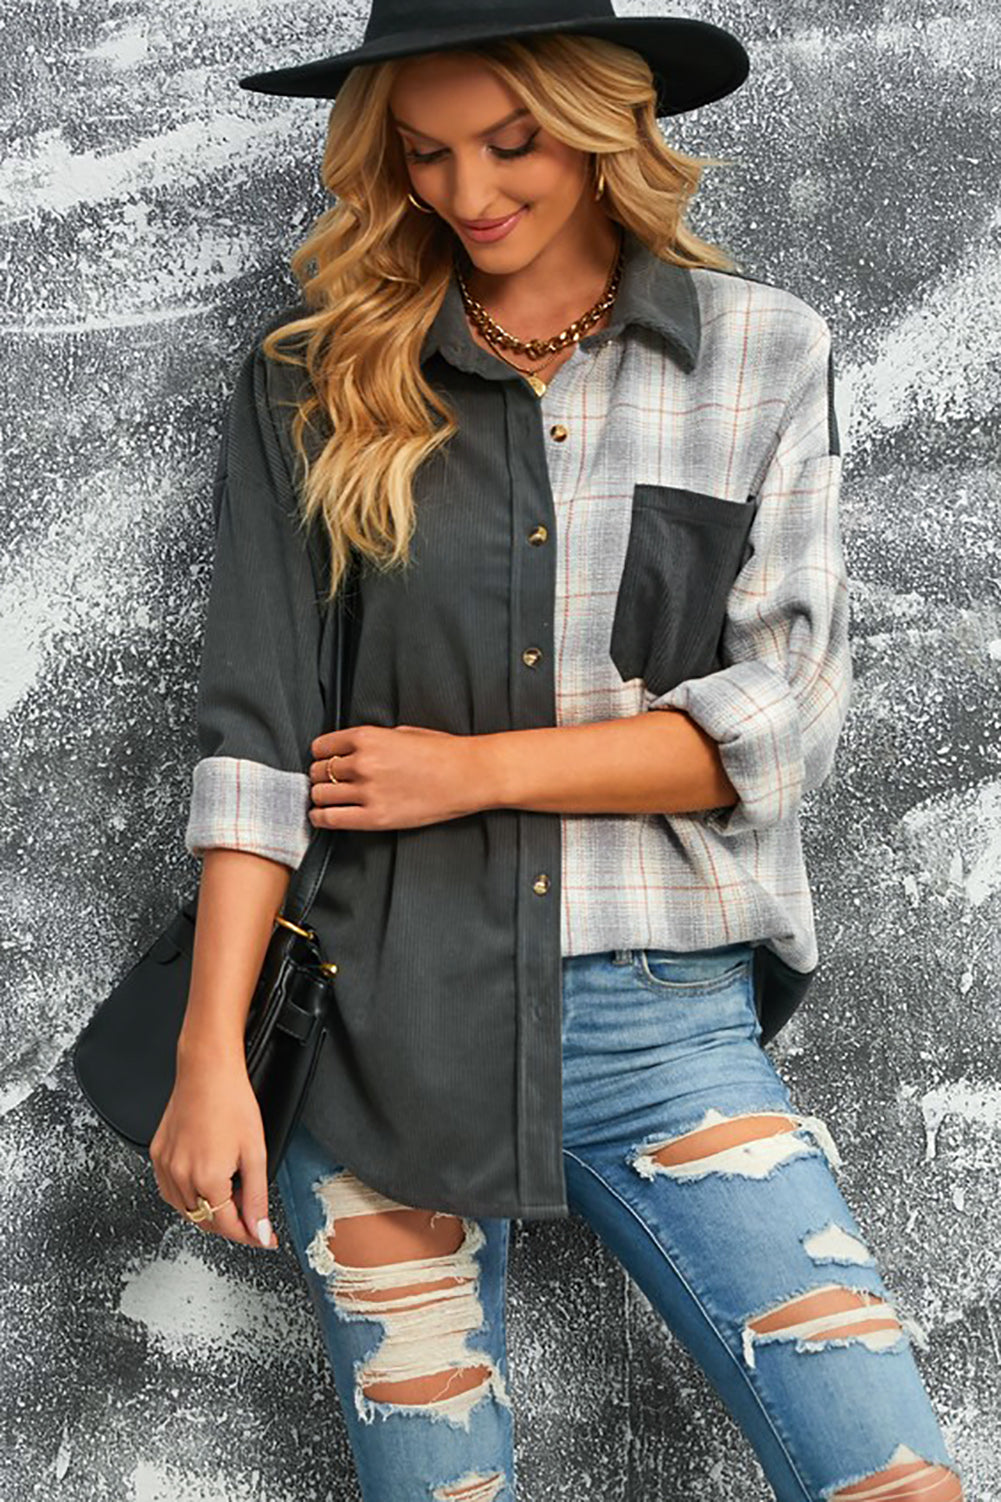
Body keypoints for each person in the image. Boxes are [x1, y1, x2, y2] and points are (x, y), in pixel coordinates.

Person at [151, 3, 967, 1498]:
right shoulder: (309, 379)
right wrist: (209, 1053)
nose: (468, 192)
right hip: (384, 1021)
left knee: (891, 1476)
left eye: (512, 143)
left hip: (664, 1015)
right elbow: (256, 740)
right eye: (425, 154)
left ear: (602, 125)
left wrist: (473, 769)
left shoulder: (759, 353)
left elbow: (778, 721)